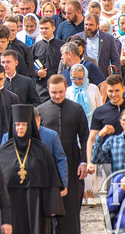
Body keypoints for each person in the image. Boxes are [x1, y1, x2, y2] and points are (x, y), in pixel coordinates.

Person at [0, 105, 65, 234]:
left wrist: (52, 206)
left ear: (30, 125)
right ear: (13, 126)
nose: (20, 128)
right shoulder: (3, 150)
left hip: (36, 202)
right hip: (11, 202)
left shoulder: (41, 150)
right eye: (17, 125)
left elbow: (52, 180)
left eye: (23, 124)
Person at [36, 75, 89, 234]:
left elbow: (85, 136)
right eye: (53, 92)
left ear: (66, 89)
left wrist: (84, 162)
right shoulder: (40, 111)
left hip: (72, 162)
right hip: (48, 164)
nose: (57, 96)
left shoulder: (76, 109)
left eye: (60, 92)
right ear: (48, 90)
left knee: (71, 206)